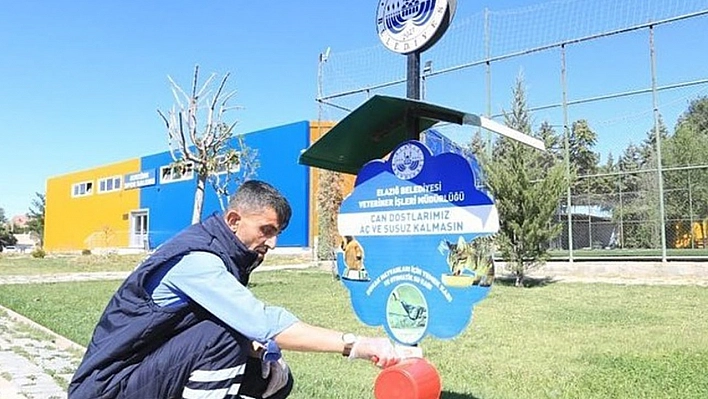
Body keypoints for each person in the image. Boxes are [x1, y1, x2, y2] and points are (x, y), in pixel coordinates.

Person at [69, 180, 400, 399]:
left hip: (139, 374)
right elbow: (263, 321)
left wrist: (259, 352)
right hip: (107, 388)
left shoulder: (225, 253)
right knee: (226, 336)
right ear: (233, 220)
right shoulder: (198, 260)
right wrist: (357, 344)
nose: (272, 242)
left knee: (274, 377)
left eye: (278, 233)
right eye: (266, 230)